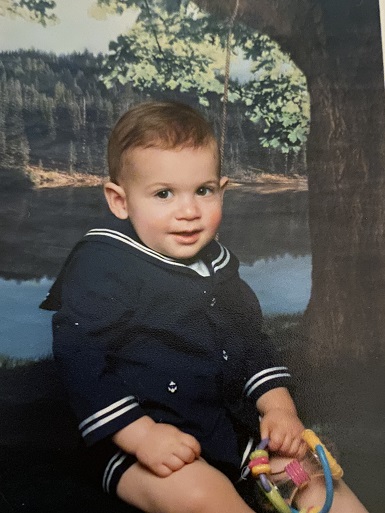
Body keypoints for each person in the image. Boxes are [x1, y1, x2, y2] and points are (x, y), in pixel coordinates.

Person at [41, 101, 369, 513]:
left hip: (225, 430)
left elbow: (249, 341)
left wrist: (278, 407)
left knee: (308, 474)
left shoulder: (218, 266)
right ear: (120, 201)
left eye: (203, 190)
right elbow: (79, 357)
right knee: (201, 493)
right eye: (164, 194)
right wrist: (142, 436)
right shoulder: (103, 264)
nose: (189, 211)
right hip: (135, 439)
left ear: (222, 189)